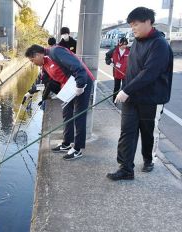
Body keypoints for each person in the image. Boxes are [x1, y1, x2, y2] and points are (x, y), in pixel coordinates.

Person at [107, 7, 173, 181]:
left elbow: (150, 72)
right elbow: (132, 70)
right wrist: (124, 88)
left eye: (136, 24)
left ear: (148, 22)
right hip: (131, 97)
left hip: (151, 98)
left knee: (148, 132)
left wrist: (127, 89)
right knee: (126, 132)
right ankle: (126, 168)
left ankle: (148, 159)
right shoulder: (136, 41)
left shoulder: (160, 44)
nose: (133, 28)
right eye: (131, 25)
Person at [25, 44, 94, 160]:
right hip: (69, 87)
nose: (33, 63)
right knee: (67, 113)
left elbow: (77, 66)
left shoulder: (55, 52)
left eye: (32, 60)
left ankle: (77, 149)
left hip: (82, 83)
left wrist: (80, 85)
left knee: (79, 115)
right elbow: (43, 81)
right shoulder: (44, 64)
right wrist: (30, 92)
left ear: (37, 55)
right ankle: (67, 143)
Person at [105, 37, 130, 102]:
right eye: (123, 44)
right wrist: (109, 62)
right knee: (116, 87)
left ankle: (124, 101)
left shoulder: (129, 50)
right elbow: (107, 56)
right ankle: (114, 100)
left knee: (125, 88)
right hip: (117, 72)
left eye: (126, 44)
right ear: (120, 44)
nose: (124, 46)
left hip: (126, 73)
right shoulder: (114, 50)